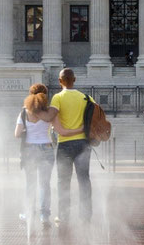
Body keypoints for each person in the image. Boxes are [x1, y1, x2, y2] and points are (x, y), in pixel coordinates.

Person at [14, 83, 83, 227]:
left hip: (29, 150)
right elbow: (61, 131)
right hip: (46, 148)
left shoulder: (24, 112)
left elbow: (17, 134)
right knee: (44, 184)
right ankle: (44, 216)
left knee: (30, 184)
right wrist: (81, 129)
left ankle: (28, 214)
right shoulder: (49, 114)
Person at [38, 68, 95, 224]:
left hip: (65, 144)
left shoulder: (58, 97)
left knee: (63, 181)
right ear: (74, 80)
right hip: (83, 143)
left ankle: (63, 215)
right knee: (84, 180)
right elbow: (96, 118)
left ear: (60, 81)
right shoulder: (86, 98)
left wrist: (34, 110)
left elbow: (50, 116)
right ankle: (86, 215)